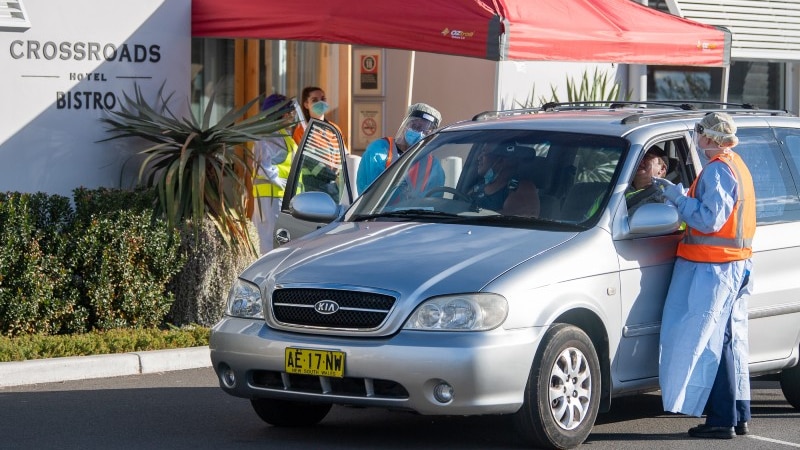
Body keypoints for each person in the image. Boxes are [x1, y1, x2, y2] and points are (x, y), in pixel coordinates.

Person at [658, 112, 756, 440]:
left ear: (712, 138)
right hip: (735, 265)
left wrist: (676, 199)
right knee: (730, 342)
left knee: (710, 343)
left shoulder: (716, 170)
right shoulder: (735, 163)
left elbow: (709, 220)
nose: (697, 136)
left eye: (700, 131)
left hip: (715, 268)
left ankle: (720, 421)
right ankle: (738, 416)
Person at [356, 103, 442, 194]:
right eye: (416, 127)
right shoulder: (379, 152)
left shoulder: (432, 166)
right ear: (405, 125)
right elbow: (365, 194)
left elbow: (434, 201)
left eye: (426, 132)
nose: (420, 134)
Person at [251, 93, 298, 254]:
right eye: (290, 112)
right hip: (271, 198)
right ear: (282, 114)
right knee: (268, 244)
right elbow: (262, 166)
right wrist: (280, 181)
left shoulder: (282, 135)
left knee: (276, 242)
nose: (292, 116)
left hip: (279, 197)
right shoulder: (267, 136)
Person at [469, 141, 540, 216]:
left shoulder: (520, 187)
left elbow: (514, 219)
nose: (478, 158)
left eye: (484, 153)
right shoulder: (480, 185)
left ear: (502, 160)